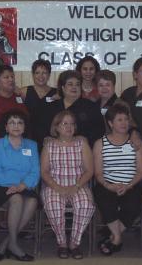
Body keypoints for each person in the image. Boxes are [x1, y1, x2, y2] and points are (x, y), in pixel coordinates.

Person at [0, 110, 39, 262]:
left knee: (33, 201)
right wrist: (15, 186)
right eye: (12, 123)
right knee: (17, 199)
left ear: (25, 127)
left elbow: (35, 171)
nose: (16, 126)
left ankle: (6, 243)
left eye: (20, 122)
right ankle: (14, 245)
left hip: (22, 186)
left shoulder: (32, 146)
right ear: (6, 127)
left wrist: (22, 185)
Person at [41, 110, 95, 259]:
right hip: (54, 185)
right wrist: (57, 187)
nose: (69, 127)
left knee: (85, 204)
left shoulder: (81, 143)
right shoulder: (49, 145)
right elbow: (44, 171)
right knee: (54, 205)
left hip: (78, 184)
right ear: (56, 127)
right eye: (65, 124)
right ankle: (62, 243)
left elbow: (90, 170)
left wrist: (76, 187)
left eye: (72, 124)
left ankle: (74, 243)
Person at [92, 104, 142, 256]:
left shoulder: (136, 142)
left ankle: (114, 236)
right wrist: (109, 186)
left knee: (133, 205)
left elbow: (141, 171)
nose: (124, 123)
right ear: (110, 123)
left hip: (131, 184)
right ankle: (117, 237)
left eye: (126, 120)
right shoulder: (100, 143)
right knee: (106, 201)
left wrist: (128, 186)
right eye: (119, 120)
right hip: (107, 185)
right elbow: (98, 173)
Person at [35, 70, 105, 149]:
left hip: (82, 150)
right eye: (70, 84)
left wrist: (86, 139)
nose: (74, 87)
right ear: (63, 88)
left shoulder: (91, 107)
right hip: (54, 150)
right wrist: (45, 138)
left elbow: (99, 130)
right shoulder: (50, 107)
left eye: (77, 85)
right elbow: (39, 129)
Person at [0, 65, 29, 141]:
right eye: (6, 77)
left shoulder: (18, 97)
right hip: (3, 146)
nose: (11, 79)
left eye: (12, 77)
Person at [20, 59, 57, 138]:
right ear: (33, 74)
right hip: (28, 136)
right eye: (37, 73)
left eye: (44, 73)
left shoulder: (56, 93)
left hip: (50, 137)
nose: (41, 76)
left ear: (49, 75)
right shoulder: (24, 92)